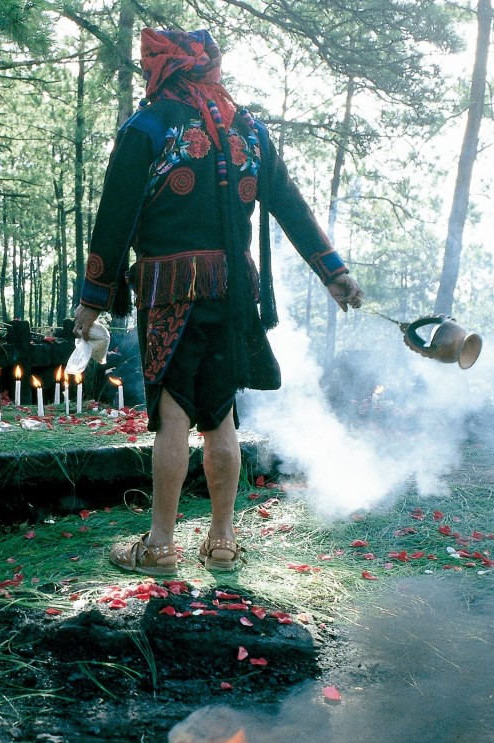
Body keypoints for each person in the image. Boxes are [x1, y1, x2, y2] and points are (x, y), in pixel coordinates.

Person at [75, 29, 364, 573]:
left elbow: (113, 221)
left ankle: (160, 546)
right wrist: (333, 270)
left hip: (170, 291)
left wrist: (92, 301)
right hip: (234, 291)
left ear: (162, 68)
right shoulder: (247, 129)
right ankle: (223, 542)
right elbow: (290, 205)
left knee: (173, 417)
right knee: (222, 414)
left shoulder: (148, 127)